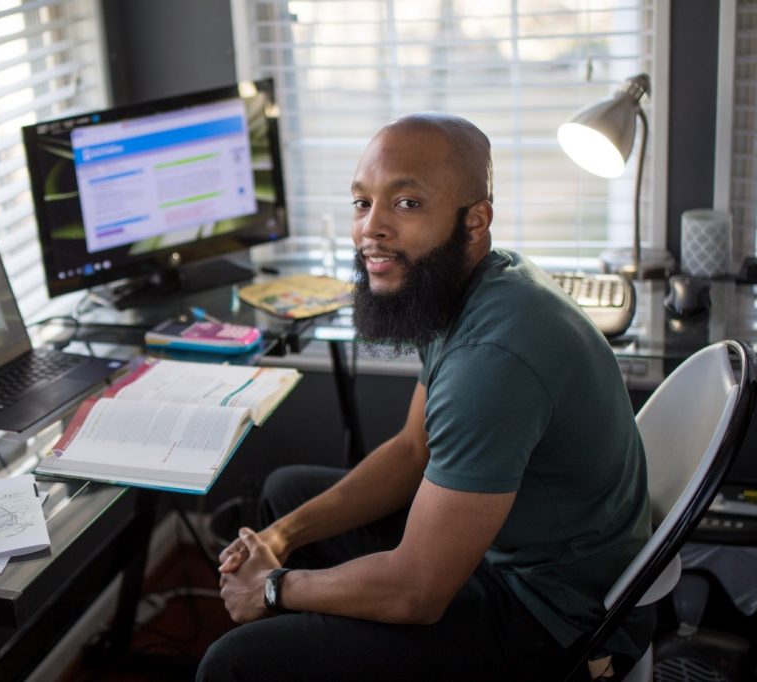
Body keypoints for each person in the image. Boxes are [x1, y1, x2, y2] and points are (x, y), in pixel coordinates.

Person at [196, 113, 655, 681]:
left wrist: (271, 588)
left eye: (407, 203)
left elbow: (418, 591)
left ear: (474, 221)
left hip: (557, 619)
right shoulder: (470, 287)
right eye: (362, 203)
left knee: (234, 666)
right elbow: (415, 449)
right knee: (285, 495)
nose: (372, 229)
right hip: (501, 551)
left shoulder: (494, 360)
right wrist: (279, 538)